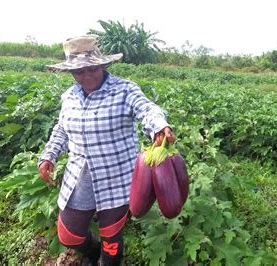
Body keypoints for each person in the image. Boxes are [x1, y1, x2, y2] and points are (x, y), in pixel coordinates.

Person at [38, 35, 175, 266]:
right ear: (71, 73)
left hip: (118, 177)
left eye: (91, 68)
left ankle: (106, 260)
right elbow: (61, 129)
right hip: (80, 175)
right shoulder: (69, 96)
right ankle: (92, 251)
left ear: (102, 64)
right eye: (79, 71)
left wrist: (159, 125)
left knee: (111, 236)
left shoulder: (124, 90)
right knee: (69, 235)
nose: (86, 75)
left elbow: (147, 108)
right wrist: (49, 155)